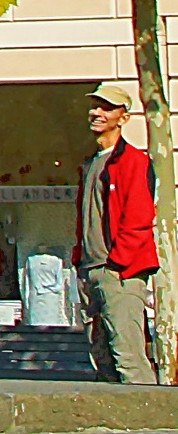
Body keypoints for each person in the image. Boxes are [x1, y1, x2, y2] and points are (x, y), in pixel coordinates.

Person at [77, 82, 162, 386]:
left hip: (119, 272)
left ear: (123, 118)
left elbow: (138, 218)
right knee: (100, 356)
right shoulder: (91, 163)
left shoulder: (133, 160)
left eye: (107, 108)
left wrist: (117, 264)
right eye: (95, 106)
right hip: (90, 270)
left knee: (128, 354)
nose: (97, 112)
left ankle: (151, 425)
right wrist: (80, 261)